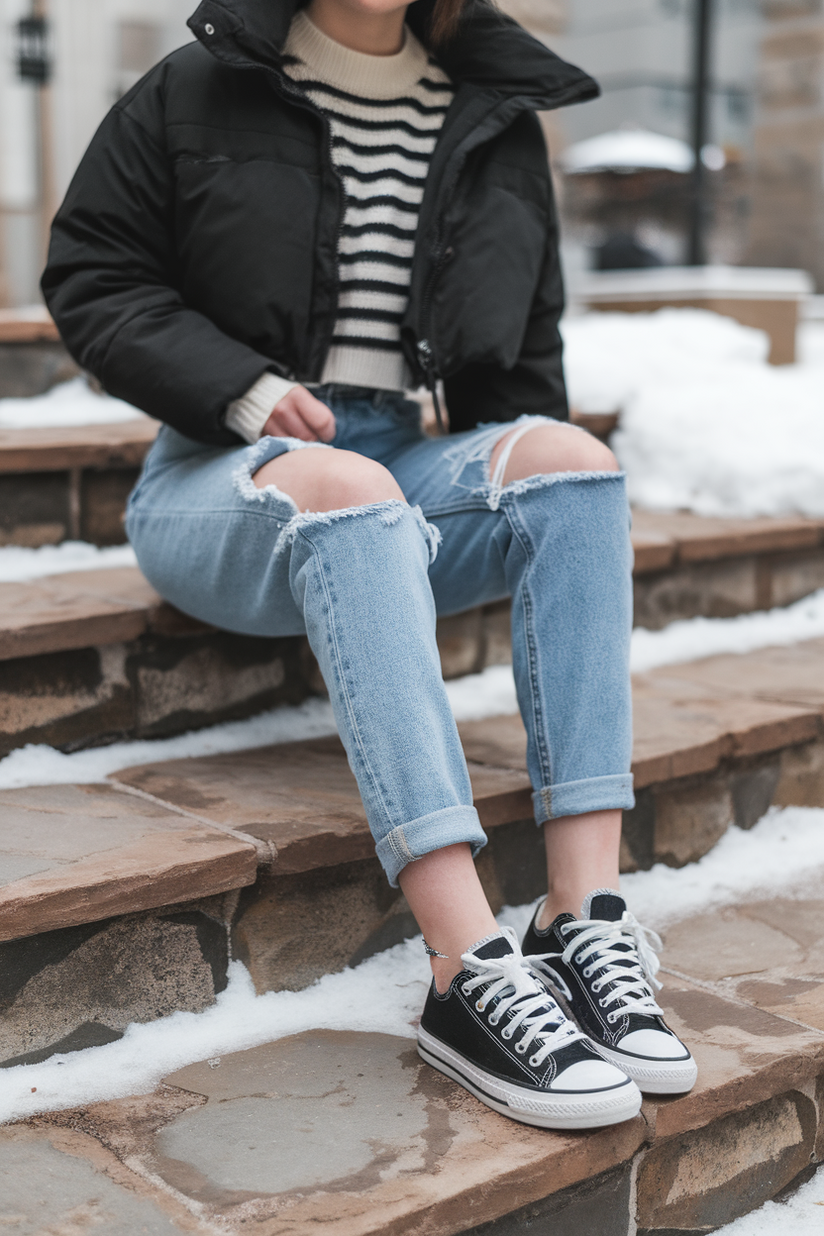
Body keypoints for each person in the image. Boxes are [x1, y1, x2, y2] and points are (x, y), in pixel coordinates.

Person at [42, 0, 696, 1130]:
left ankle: (581, 915)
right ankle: (462, 967)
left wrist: (518, 476)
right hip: (222, 468)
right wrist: (242, 388)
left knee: (573, 465)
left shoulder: (492, 111)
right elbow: (95, 274)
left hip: (411, 450)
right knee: (351, 491)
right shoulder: (193, 88)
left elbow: (520, 354)